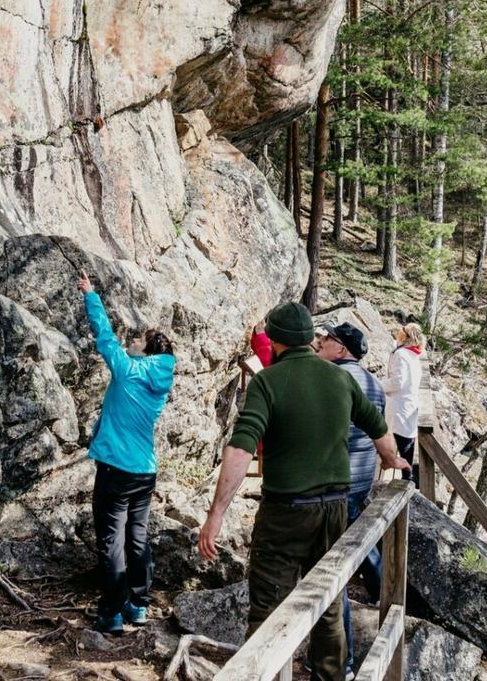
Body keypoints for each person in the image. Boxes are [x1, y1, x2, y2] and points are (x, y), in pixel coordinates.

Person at [197, 302, 408, 681]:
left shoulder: (267, 381)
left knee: (267, 608)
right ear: (310, 339)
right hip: (334, 508)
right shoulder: (339, 378)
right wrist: (394, 461)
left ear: (275, 341)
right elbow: (379, 430)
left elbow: (242, 447)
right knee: (327, 604)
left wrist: (216, 515)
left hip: (285, 511)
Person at [80, 272, 176, 633]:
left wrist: (91, 294)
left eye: (136, 339)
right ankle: (138, 604)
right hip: (144, 472)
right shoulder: (161, 379)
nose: (130, 341)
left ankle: (111, 612)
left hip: (117, 470)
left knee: (111, 539)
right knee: (137, 538)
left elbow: (104, 337)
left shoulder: (127, 370)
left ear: (146, 350)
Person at [315, 320, 384, 677]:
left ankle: (341, 661)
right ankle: (384, 594)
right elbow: (377, 434)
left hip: (333, 487)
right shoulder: (373, 383)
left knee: (331, 573)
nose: (320, 341)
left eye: (327, 338)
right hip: (359, 484)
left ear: (341, 350)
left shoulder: (334, 380)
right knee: (355, 551)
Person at [383, 319, 426, 480]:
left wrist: (378, 384)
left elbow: (397, 382)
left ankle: (406, 478)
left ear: (406, 335)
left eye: (403, 330)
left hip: (399, 404)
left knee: (401, 442)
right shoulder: (413, 354)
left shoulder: (402, 355)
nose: (399, 330)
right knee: (406, 441)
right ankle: (407, 476)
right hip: (407, 403)